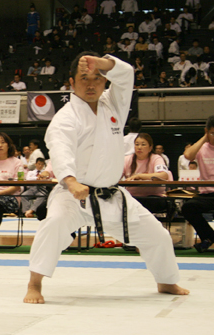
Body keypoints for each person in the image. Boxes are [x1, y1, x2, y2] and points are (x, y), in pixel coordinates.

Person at [24, 51, 189, 304]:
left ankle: (166, 280)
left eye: (98, 78)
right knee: (53, 225)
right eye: (84, 79)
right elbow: (60, 151)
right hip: (73, 194)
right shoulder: (65, 118)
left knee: (158, 235)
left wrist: (103, 64)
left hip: (111, 194)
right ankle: (34, 284)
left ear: (105, 80)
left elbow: (127, 76)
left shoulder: (113, 105)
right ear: (71, 83)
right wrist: (71, 181)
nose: (91, 84)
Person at [181, 115, 214, 252]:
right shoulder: (202, 148)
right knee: (188, 207)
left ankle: (209, 240)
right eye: (213, 133)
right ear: (206, 131)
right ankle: (211, 237)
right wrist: (205, 138)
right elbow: (188, 155)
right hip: (206, 195)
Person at [123, 133, 172, 213]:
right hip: (133, 197)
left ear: (150, 148)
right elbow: (117, 177)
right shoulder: (127, 159)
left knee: (149, 203)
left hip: (154, 197)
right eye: (137, 144)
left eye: (143, 145)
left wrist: (140, 176)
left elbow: (164, 175)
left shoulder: (156, 158)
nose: (139, 147)